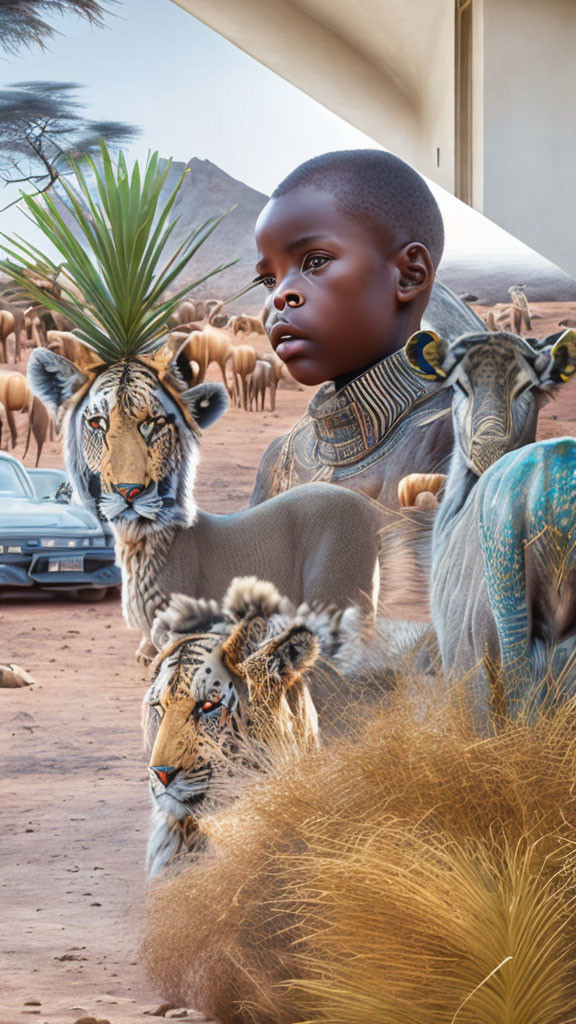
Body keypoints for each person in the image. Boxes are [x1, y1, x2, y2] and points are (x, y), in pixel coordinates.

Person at [248, 149, 482, 508]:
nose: (280, 295)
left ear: (409, 275)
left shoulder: (469, 442)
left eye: (316, 261)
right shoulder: (282, 460)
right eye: (269, 279)